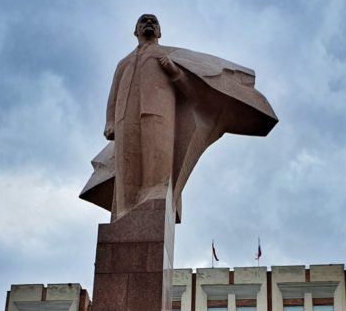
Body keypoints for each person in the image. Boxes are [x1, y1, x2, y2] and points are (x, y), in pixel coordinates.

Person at [80, 14, 277, 224]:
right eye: (143, 21)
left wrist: (174, 72)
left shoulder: (170, 55)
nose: (149, 24)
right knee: (126, 170)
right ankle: (124, 213)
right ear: (135, 31)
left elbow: (192, 92)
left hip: (158, 114)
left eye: (153, 21)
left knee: (157, 168)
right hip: (124, 118)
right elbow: (114, 94)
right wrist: (110, 121)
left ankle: (153, 203)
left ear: (160, 32)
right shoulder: (123, 63)